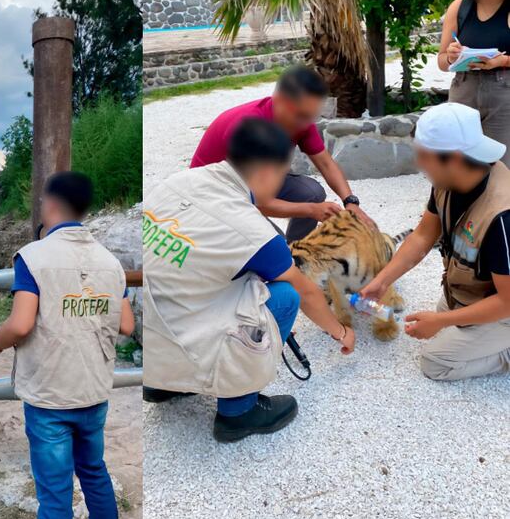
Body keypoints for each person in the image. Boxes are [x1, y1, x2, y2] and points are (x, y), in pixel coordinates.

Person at [142, 118, 353, 442]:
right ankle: (238, 411)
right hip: (187, 336)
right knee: (284, 296)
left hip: (152, 340)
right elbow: (307, 293)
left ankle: (164, 383)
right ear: (268, 172)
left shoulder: (178, 182)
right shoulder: (250, 232)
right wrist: (341, 331)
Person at [0, 171, 134, 519]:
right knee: (94, 470)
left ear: (49, 204)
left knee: (54, 492)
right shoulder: (110, 263)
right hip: (94, 389)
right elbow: (127, 325)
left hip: (50, 394)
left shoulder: (33, 258)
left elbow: (19, 325)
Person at [361, 103, 510, 381]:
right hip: (468, 293)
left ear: (452, 157)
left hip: (505, 306)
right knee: (443, 325)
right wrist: (382, 281)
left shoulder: (502, 216)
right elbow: (422, 236)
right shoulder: (450, 178)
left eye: (423, 156)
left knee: (435, 363)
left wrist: (441, 321)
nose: (418, 164)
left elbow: (508, 301)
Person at [191, 65, 376, 242]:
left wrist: (350, 202)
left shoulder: (300, 119)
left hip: (252, 182)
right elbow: (258, 202)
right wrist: (312, 210)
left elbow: (326, 164)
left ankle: (296, 252)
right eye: (302, 115)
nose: (306, 124)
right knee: (272, 243)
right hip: (214, 193)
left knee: (311, 192)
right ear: (279, 101)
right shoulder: (248, 128)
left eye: (311, 116)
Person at [438, 0, 510, 164]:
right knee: (458, 163)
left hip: (503, 92)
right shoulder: (460, 7)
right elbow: (441, 61)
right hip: (463, 89)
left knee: (501, 164)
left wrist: (502, 61)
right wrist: (451, 56)